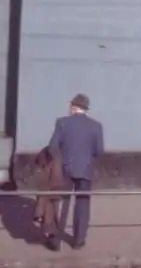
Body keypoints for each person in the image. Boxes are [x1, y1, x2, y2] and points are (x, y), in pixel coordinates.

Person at [47, 94, 105, 250]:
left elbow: (52, 147)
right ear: (85, 109)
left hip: (65, 168)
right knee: (83, 204)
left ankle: (56, 240)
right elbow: (99, 151)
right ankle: (79, 240)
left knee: (62, 203)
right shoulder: (96, 126)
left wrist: (59, 161)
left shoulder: (62, 122)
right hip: (85, 168)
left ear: (73, 107)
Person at [32, 147, 66, 251]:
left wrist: (38, 212)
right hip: (55, 190)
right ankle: (54, 239)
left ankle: (53, 239)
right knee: (54, 216)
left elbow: (42, 187)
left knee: (50, 217)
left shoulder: (44, 165)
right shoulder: (56, 159)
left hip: (49, 192)